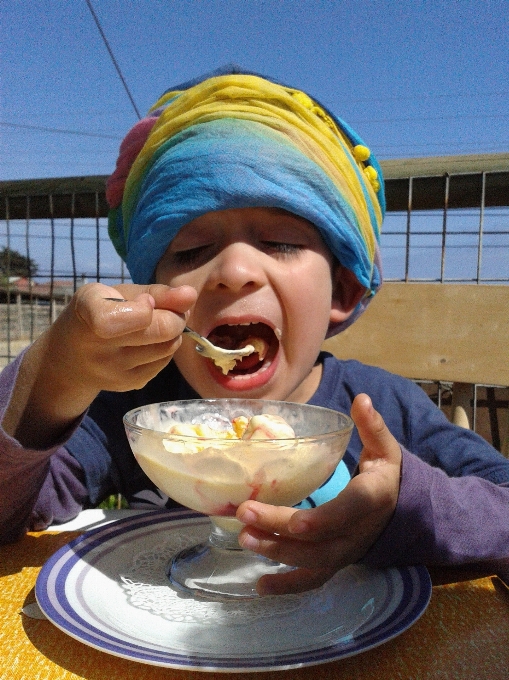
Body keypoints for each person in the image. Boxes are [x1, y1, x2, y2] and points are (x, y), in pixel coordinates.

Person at [1, 66, 508, 596]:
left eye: (280, 242)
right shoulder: (137, 414)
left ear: (343, 291)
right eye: (192, 251)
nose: (233, 270)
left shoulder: (384, 409)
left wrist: (406, 511)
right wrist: (55, 375)